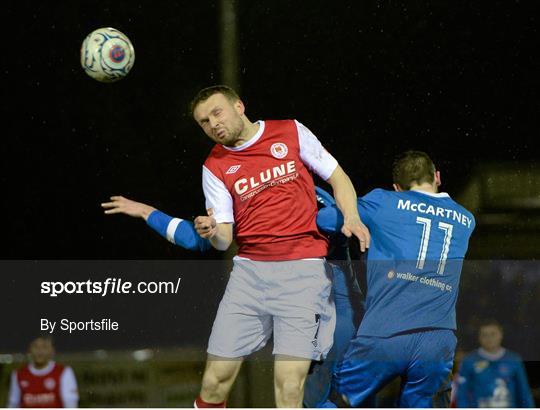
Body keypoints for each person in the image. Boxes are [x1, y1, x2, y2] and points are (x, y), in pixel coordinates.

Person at [104, 85, 370, 408]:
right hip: (249, 278)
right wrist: (212, 229)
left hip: (304, 275)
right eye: (203, 122)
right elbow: (224, 240)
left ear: (239, 106)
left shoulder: (290, 131)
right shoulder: (214, 166)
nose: (212, 124)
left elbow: (338, 176)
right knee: (214, 383)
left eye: (217, 113)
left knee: (288, 389)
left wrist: (352, 217)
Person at [101, 186, 364, 408]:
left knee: (308, 395)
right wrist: (148, 212)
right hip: (306, 306)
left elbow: (333, 219)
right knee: (306, 396)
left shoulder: (311, 196)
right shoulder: (252, 199)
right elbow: (198, 240)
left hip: (333, 312)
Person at [318, 150, 476, 407]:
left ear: (396, 187)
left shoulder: (384, 202)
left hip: (384, 334)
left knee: (339, 403)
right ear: (437, 176)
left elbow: (324, 219)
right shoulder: (467, 220)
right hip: (437, 341)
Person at [455, 320, 534, 408]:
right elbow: (462, 394)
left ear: (501, 335)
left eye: (493, 334)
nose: (489, 338)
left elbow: (524, 392)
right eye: (484, 335)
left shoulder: (513, 360)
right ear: (479, 337)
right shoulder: (469, 361)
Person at [7, 336, 79, 408]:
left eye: (44, 347)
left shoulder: (64, 372)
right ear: (29, 349)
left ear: (52, 350)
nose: (40, 351)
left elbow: (71, 405)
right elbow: (13, 404)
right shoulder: (18, 374)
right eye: (36, 346)